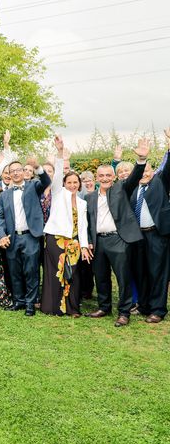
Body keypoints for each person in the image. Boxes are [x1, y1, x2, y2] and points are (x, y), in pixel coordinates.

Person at [85, 138, 149, 327]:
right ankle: (104, 307)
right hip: (98, 241)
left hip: (118, 240)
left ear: (113, 177)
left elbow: (135, 177)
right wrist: (88, 241)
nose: (105, 178)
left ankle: (124, 312)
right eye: (101, 176)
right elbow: (87, 223)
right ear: (97, 178)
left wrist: (142, 159)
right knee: (101, 276)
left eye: (108, 175)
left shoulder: (121, 188)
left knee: (123, 278)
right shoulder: (89, 198)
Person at [40, 136, 91, 317]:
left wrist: (84, 246)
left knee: (72, 274)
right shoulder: (58, 193)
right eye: (69, 182)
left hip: (74, 243)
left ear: (79, 184)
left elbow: (83, 226)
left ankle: (72, 308)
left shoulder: (82, 203)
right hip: (55, 239)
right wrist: (60, 153)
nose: (72, 185)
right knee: (55, 273)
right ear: (63, 184)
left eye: (75, 182)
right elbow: (59, 172)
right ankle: (53, 307)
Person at [0, 160, 51, 316]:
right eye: (11, 170)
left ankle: (30, 303)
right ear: (8, 174)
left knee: (31, 271)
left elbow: (46, 181)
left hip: (30, 237)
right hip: (12, 238)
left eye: (18, 170)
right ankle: (18, 301)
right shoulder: (4, 195)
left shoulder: (33, 187)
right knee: (14, 271)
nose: (15, 173)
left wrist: (38, 167)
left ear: (23, 171)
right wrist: (1, 235)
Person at [129, 134, 170, 323]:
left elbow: (168, 168)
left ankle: (158, 309)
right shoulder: (134, 189)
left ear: (154, 171)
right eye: (142, 171)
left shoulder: (160, 182)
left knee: (157, 273)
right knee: (141, 271)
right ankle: (144, 305)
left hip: (156, 235)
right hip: (139, 237)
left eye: (148, 170)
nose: (145, 173)